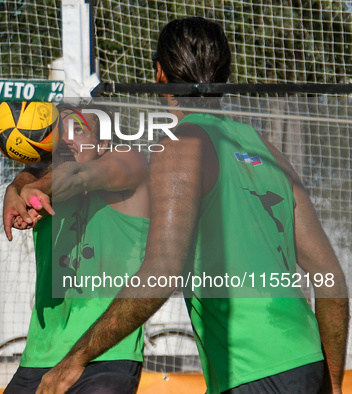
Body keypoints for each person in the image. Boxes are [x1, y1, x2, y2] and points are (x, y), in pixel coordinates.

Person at [36, 17, 349, 394]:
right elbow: (330, 276)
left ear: (159, 72)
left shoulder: (180, 144)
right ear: (226, 73)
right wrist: (331, 382)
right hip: (307, 364)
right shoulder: (267, 150)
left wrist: (77, 358)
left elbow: (162, 271)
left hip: (252, 374)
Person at [2, 105, 150, 394]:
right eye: (61, 132)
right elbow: (33, 172)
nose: (67, 140)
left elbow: (79, 173)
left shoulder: (128, 161)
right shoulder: (40, 184)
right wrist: (16, 187)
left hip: (106, 354)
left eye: (79, 130)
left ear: (103, 142)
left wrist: (34, 188)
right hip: (40, 354)